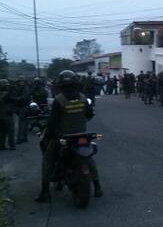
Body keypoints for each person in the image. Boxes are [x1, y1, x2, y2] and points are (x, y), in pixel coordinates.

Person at [37, 70, 102, 202]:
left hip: (63, 137)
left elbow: (53, 122)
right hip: (81, 135)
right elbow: (89, 114)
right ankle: (97, 186)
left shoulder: (59, 100)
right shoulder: (83, 98)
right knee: (88, 158)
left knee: (48, 158)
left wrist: (48, 133)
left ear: (60, 83)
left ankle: (44, 191)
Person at [0, 79, 16, 151]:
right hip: (6, 113)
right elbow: (14, 100)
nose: (7, 86)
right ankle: (11, 145)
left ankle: (2, 145)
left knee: (1, 131)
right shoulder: (8, 93)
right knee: (10, 131)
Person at [15, 75, 31, 144]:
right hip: (22, 106)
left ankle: (20, 138)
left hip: (24, 106)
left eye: (22, 81)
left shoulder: (25, 88)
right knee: (24, 123)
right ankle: (24, 137)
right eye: (20, 81)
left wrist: (16, 98)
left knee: (22, 123)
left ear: (24, 81)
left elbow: (24, 97)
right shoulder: (20, 87)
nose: (21, 82)